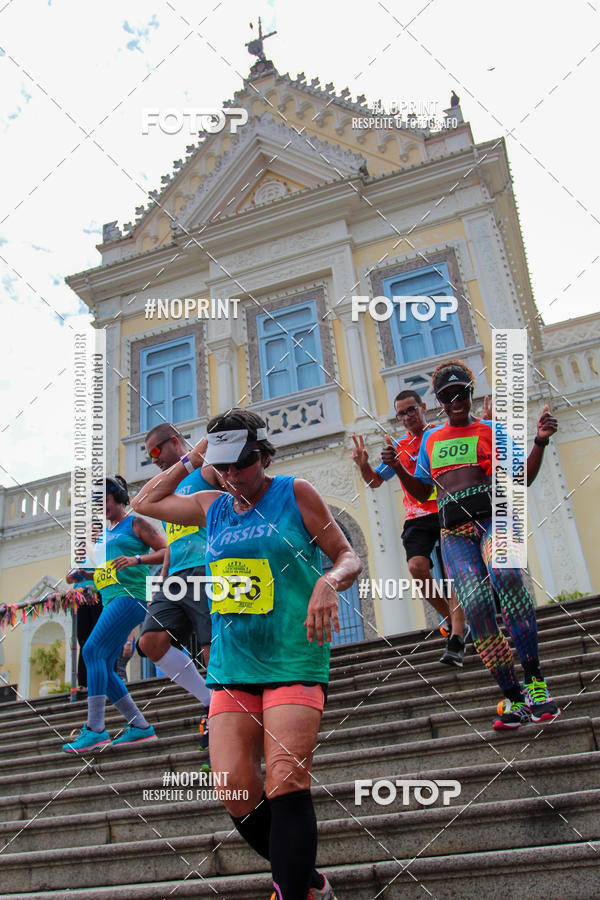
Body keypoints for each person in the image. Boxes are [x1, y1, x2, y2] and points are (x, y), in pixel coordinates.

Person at [132, 409, 362, 900]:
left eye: (243, 464)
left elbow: (348, 556)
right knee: (235, 788)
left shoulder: (294, 493)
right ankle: (303, 877)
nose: (234, 477)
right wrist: (195, 454)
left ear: (263, 454)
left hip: (292, 655)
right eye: (224, 467)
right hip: (232, 663)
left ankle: (288, 891)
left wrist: (328, 581)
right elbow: (144, 501)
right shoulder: (210, 505)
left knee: (284, 778)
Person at [382, 359, 560, 730]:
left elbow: (521, 478)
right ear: (440, 402)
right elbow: (423, 489)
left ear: (470, 393)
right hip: (454, 533)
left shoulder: (491, 430)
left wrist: (539, 442)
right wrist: (398, 468)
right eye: (447, 396)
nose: (455, 400)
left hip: (494, 519)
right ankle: (514, 699)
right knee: (477, 607)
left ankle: (536, 683)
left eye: (461, 392)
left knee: (507, 574)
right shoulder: (432, 440)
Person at [352, 390, 467, 666]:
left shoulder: (441, 434)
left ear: (423, 407)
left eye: (411, 410)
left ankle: (457, 639)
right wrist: (364, 464)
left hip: (446, 509)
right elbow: (375, 481)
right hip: (417, 517)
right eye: (401, 413)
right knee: (417, 567)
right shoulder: (400, 447)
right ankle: (453, 620)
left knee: (454, 571)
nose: (406, 417)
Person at [62, 476, 167, 753]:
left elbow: (168, 551)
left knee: (92, 651)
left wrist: (137, 559)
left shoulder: (136, 523)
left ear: (118, 496)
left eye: (104, 500)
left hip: (130, 596)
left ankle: (96, 729)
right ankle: (140, 726)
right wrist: (86, 573)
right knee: (104, 666)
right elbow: (110, 569)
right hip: (110, 599)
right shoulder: (106, 532)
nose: (101, 507)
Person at [138, 423, 221, 715]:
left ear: (175, 441)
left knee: (212, 649)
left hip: (206, 568)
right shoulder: (164, 489)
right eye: (149, 456)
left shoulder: (205, 472)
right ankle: (209, 701)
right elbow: (173, 539)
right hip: (175, 576)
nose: (154, 459)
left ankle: (223, 713)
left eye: (157, 450)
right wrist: (162, 577)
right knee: (151, 641)